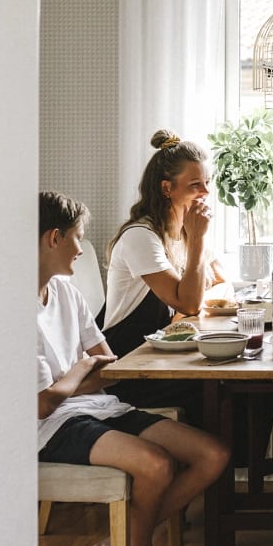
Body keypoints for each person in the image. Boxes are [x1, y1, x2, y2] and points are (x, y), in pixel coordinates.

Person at [36, 191, 229, 546]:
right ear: (53, 239)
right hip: (48, 429)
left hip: (96, 405)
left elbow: (109, 364)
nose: (82, 248)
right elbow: (42, 404)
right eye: (77, 238)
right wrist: (78, 372)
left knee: (212, 455)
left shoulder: (67, 295)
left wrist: (78, 376)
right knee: (157, 465)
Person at [100, 129, 229, 418]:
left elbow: (222, 280)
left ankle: (238, 462)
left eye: (207, 183)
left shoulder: (183, 232)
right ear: (167, 189)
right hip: (130, 368)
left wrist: (195, 243)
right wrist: (197, 240)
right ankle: (221, 460)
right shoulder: (141, 237)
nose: (206, 193)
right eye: (195, 184)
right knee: (225, 387)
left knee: (246, 381)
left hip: (162, 357)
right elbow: (190, 303)